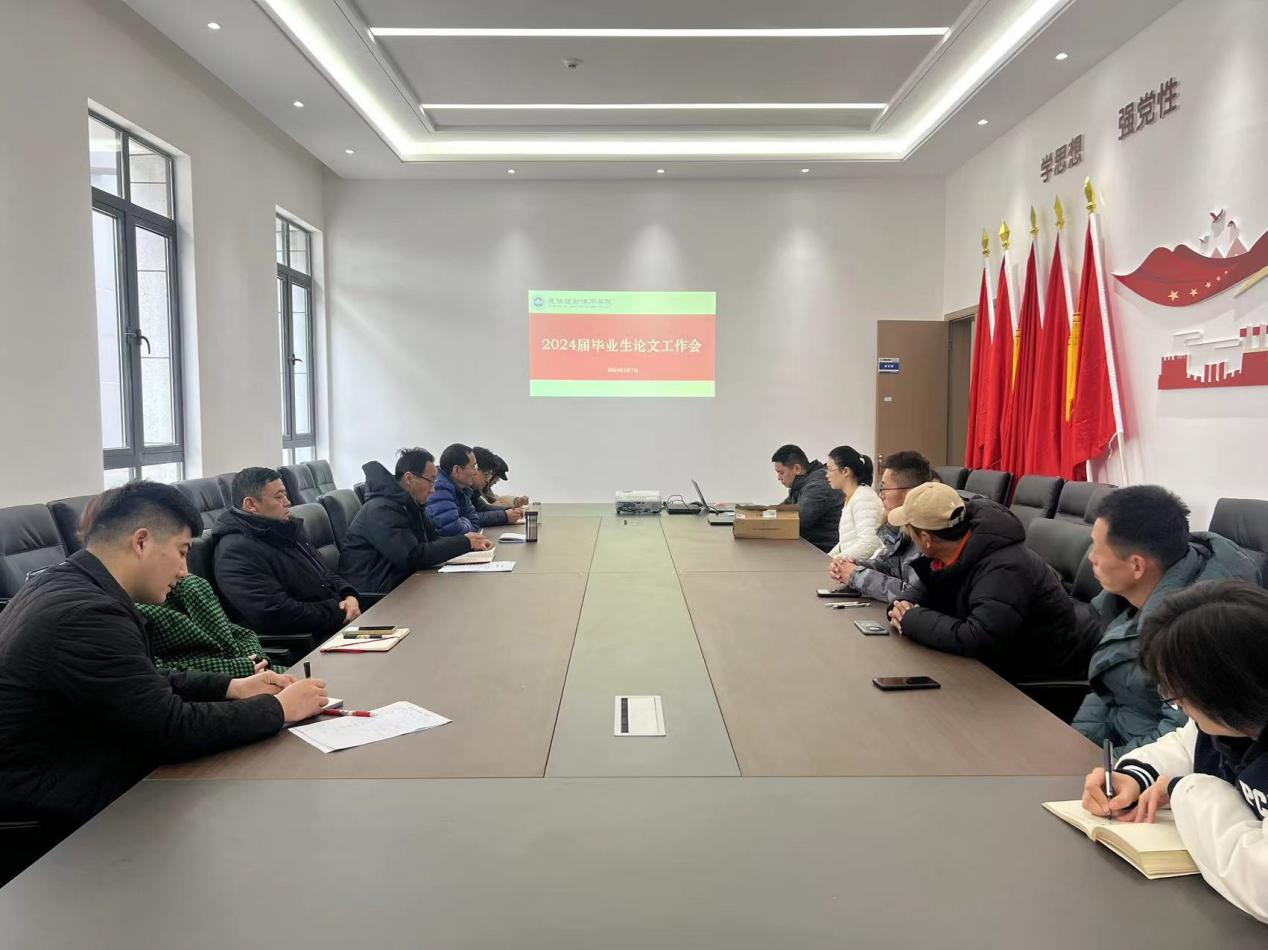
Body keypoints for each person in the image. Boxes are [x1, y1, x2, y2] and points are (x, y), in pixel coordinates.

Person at [0, 481, 326, 842]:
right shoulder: (86, 615)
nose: (185, 570)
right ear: (142, 542)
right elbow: (169, 729)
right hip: (63, 813)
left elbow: (142, 682)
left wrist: (232, 687)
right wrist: (279, 709)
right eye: (182, 551)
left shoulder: (62, 583)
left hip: (75, 770)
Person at [1080, 580, 1268, 924]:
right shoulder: (1232, 721)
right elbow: (1185, 744)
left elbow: (1262, 886)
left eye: (1177, 694)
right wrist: (1135, 776)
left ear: (1228, 690)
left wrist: (1183, 789)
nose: (1178, 706)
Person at [1073, 485, 1260, 753]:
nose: (1091, 557)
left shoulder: (1195, 634)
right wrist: (1077, 742)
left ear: (1137, 565)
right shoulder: (1123, 602)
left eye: (1099, 551)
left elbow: (1182, 737)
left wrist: (1109, 766)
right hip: (1113, 751)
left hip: (1150, 764)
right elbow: (1108, 690)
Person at [886, 481, 1090, 683]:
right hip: (992, 667)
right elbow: (926, 586)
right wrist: (901, 605)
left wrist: (912, 619)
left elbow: (978, 639)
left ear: (926, 539)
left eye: (909, 531)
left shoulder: (1004, 568)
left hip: (1033, 680)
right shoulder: (954, 549)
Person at [212, 467, 360, 641]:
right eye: (279, 497)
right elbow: (275, 613)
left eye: (286, 494)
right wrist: (339, 610)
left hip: (334, 625)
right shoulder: (237, 551)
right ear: (251, 504)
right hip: (308, 641)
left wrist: (349, 595)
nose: (288, 502)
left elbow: (325, 574)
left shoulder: (286, 530)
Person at [339, 448, 493, 593]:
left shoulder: (409, 504)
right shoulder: (381, 509)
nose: (433, 490)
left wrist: (467, 542)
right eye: (430, 481)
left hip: (403, 585)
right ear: (409, 478)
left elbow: (432, 540)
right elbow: (412, 556)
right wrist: (464, 543)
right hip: (377, 596)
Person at [828, 450, 934, 603]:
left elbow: (913, 594)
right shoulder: (900, 528)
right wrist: (853, 566)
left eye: (884, 489)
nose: (880, 495)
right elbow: (888, 565)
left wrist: (856, 575)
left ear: (910, 494)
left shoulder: (929, 534)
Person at [137, 572, 284, 677]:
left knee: (296, 682)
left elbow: (238, 633)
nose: (183, 571)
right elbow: (160, 673)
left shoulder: (189, 585)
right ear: (141, 545)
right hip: (210, 689)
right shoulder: (131, 614)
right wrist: (243, 667)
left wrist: (258, 661)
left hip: (251, 671)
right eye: (181, 553)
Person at [771, 444, 843, 553]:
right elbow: (784, 509)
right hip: (811, 547)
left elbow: (799, 519)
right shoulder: (801, 484)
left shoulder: (818, 485)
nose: (779, 478)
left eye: (781, 473)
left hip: (824, 552)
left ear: (797, 468)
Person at [823, 445, 884, 561]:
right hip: (851, 565)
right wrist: (827, 559)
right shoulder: (853, 496)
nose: (826, 475)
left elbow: (869, 544)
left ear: (845, 471)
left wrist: (837, 561)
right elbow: (846, 541)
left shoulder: (864, 498)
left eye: (830, 469)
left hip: (862, 568)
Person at [427, 443, 486, 537]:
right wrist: (464, 520)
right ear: (457, 470)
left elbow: (475, 522)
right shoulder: (440, 487)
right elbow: (454, 530)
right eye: (473, 467)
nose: (475, 472)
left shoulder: (463, 488)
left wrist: (462, 521)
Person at [469, 446, 524, 527]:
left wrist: (510, 510)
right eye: (486, 475)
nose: (488, 480)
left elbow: (483, 508)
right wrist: (505, 516)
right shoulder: (457, 490)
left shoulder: (471, 490)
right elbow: (470, 518)